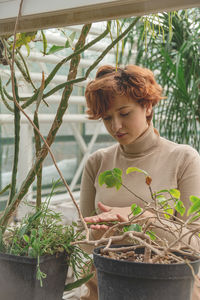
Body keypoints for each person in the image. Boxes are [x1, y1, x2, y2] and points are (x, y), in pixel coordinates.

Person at [79, 64, 200, 300]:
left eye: (124, 113)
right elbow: (83, 240)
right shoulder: (97, 162)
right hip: (105, 286)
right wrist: (97, 235)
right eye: (107, 118)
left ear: (147, 105)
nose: (116, 126)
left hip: (167, 289)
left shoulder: (183, 159)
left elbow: (195, 244)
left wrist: (141, 217)